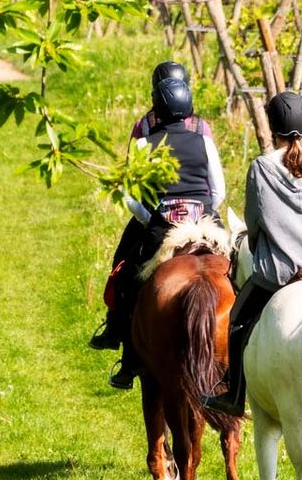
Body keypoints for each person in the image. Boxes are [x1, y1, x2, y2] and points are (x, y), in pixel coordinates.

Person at [202, 90, 302, 416]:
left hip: (283, 273)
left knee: (237, 318)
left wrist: (263, 240)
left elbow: (254, 221)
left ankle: (233, 394)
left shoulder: (262, 167)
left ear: (272, 127)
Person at [91, 69, 226, 389]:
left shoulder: (145, 141)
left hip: (163, 225)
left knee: (129, 279)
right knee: (236, 272)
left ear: (158, 107)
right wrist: (204, 210)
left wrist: (149, 218)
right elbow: (218, 190)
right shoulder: (204, 138)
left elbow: (130, 197)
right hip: (205, 222)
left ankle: (128, 356)